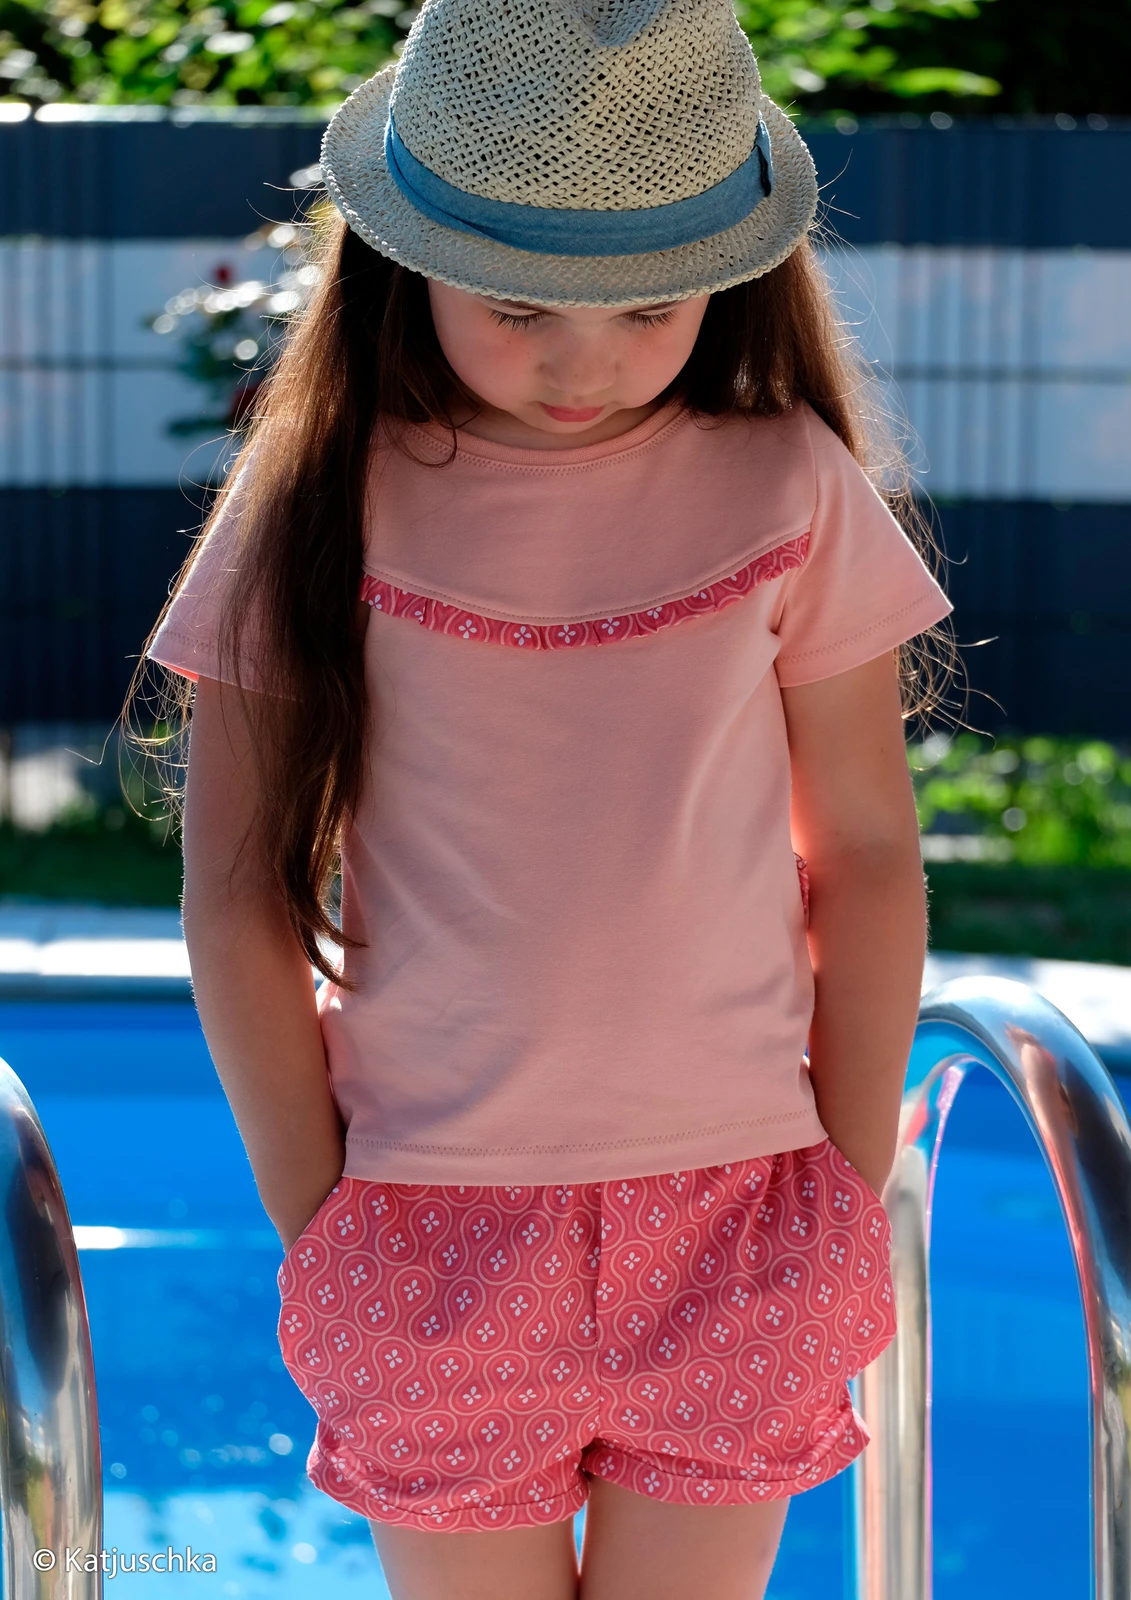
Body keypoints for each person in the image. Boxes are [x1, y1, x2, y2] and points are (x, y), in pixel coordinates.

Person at [135, 1, 954, 1594]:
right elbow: (233, 892)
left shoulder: (786, 481)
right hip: (418, 1230)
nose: (585, 361)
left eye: (649, 307)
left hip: (746, 1218)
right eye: (517, 305)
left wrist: (842, 1190)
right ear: (408, 262)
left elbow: (862, 851)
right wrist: (319, 1220)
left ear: (727, 276)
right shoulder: (313, 504)